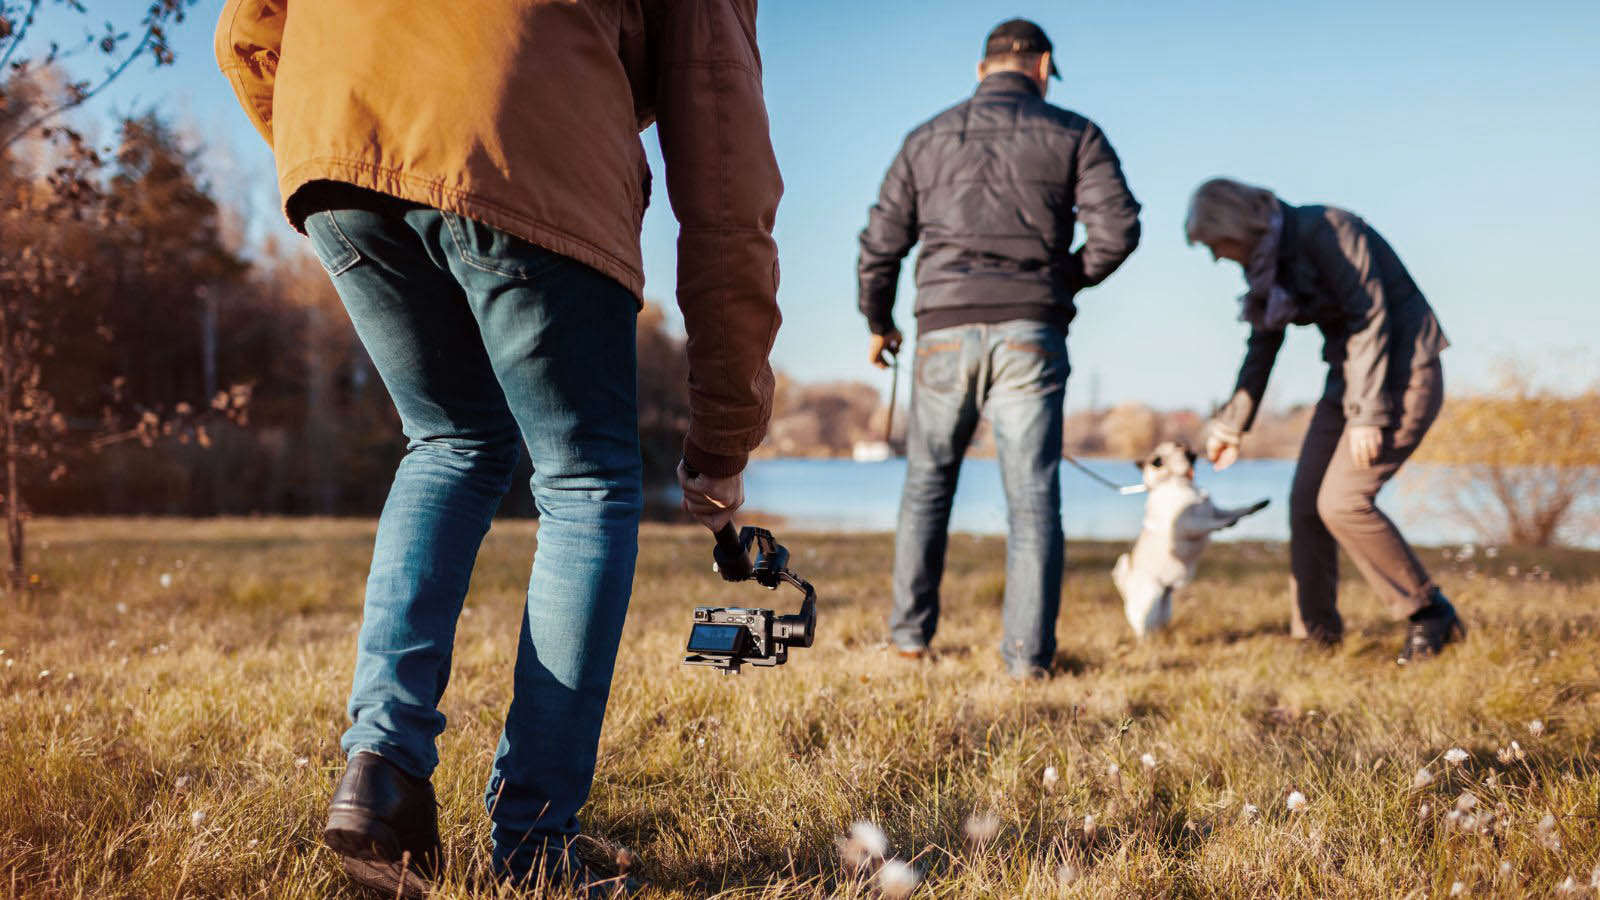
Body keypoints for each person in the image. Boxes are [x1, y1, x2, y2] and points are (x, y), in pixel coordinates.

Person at [215, 1, 782, 895]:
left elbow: (248, 27)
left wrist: (325, 147)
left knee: (449, 440)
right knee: (588, 480)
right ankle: (536, 847)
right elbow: (725, 180)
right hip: (522, 143)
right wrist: (723, 434)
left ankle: (382, 770)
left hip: (338, 133)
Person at [857, 19, 1141, 679]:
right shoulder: (1076, 134)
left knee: (927, 484)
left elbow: (880, 245)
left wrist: (878, 321)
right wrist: (1059, 280)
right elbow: (1119, 228)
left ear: (983, 68)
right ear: (1042, 65)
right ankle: (1026, 661)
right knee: (1033, 496)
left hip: (942, 331)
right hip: (1029, 333)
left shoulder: (925, 138)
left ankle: (907, 640)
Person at [1187, 177, 1464, 663]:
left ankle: (1430, 612)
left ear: (1234, 223)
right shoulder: (1268, 265)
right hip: (1349, 383)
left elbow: (1370, 316)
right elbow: (1263, 343)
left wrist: (1367, 415)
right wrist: (1233, 422)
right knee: (1306, 504)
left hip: (1404, 375)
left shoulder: (1328, 230)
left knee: (1343, 502)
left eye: (1214, 244)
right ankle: (1316, 636)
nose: (1215, 257)